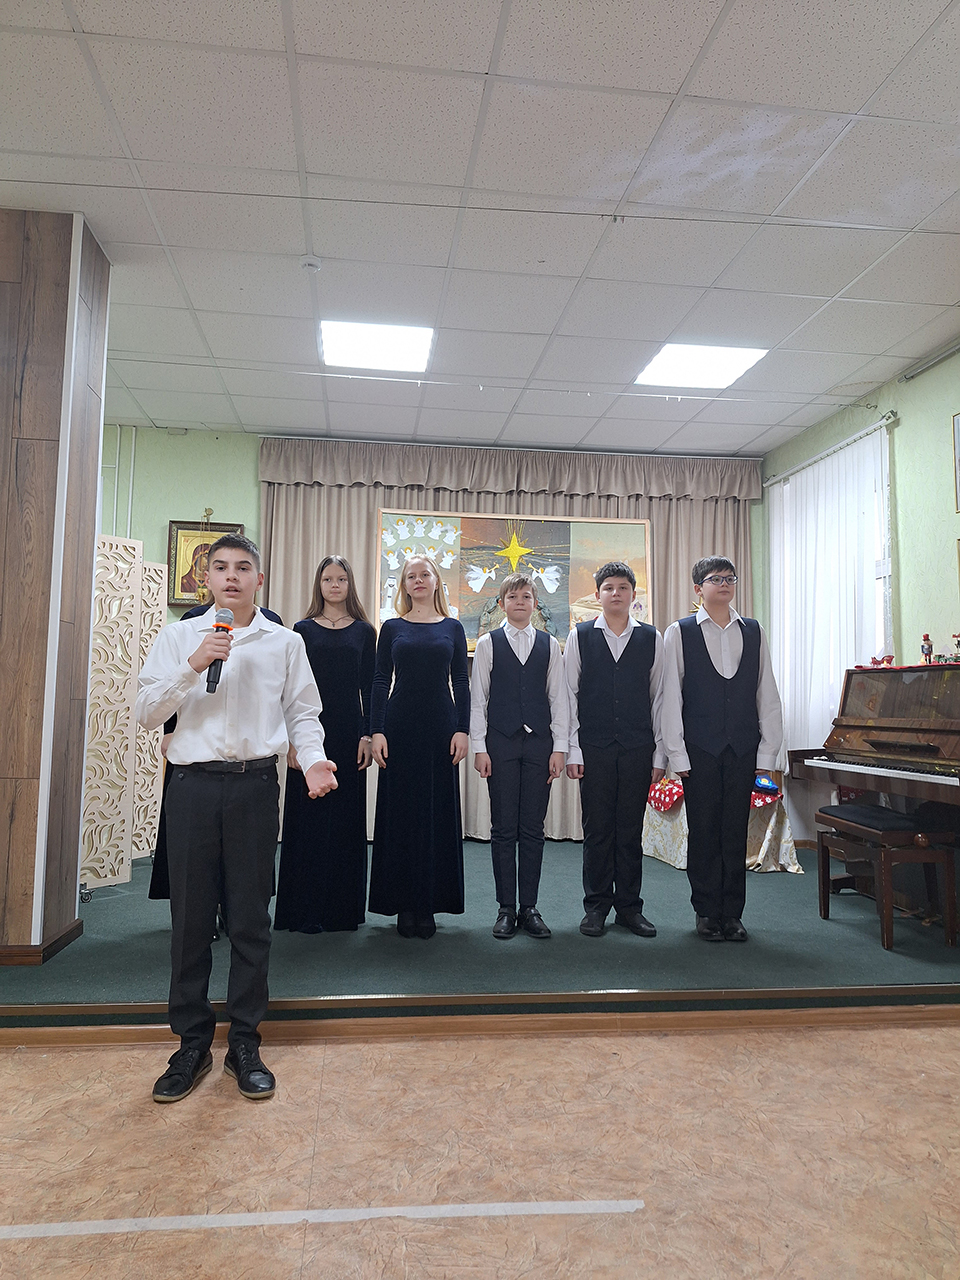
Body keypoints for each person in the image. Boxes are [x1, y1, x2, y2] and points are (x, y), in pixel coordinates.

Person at [136, 533, 337, 1104]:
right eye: (220, 567)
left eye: (242, 567)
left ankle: (245, 1042)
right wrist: (194, 665)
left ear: (259, 579)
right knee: (191, 921)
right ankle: (191, 1044)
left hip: (254, 786)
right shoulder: (179, 637)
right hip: (191, 787)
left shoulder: (285, 642)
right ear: (207, 578)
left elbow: (303, 712)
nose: (231, 576)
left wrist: (314, 760)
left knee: (250, 918)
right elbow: (147, 712)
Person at [661, 556, 783, 943]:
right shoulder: (679, 632)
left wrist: (767, 754)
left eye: (730, 578)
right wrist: (676, 753)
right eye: (716, 579)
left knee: (734, 832)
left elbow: (767, 694)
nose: (725, 584)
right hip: (699, 749)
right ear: (699, 589)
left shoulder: (753, 631)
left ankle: (732, 914)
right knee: (704, 831)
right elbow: (670, 697)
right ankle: (706, 912)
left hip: (743, 748)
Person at [368, 555, 469, 939]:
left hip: (441, 729)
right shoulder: (392, 627)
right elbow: (380, 679)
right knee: (401, 815)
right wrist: (377, 730)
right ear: (404, 586)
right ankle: (402, 904)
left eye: (424, 574)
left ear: (436, 580)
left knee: (434, 813)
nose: (418, 580)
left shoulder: (453, 627)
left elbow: (461, 681)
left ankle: (427, 903)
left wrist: (463, 729)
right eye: (411, 576)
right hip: (399, 728)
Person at [274, 556, 375, 933]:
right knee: (308, 821)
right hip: (307, 732)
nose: (334, 585)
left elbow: (370, 688)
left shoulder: (365, 631)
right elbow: (288, 690)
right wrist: (292, 741)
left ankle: (342, 912)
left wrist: (367, 734)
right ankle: (304, 911)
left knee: (346, 821)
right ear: (318, 584)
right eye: (328, 579)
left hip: (349, 734)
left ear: (350, 585)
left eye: (341, 579)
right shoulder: (301, 630)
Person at [564, 561, 665, 938]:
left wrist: (659, 755)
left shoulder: (652, 638)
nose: (616, 593)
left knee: (629, 830)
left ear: (633, 595)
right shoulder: (580, 636)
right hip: (594, 749)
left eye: (623, 587)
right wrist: (573, 750)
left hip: (638, 748)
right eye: (609, 588)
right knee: (597, 830)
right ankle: (596, 907)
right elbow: (568, 695)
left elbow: (660, 698)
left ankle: (629, 908)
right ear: (597, 595)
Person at [470, 572, 568, 939]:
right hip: (501, 744)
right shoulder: (488, 644)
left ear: (535, 604)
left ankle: (530, 907)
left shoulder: (549, 644)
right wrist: (479, 748)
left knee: (532, 828)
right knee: (502, 828)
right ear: (501, 604)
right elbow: (478, 700)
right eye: (513, 597)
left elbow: (558, 699)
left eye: (526, 596)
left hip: (540, 745)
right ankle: (506, 909)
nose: (520, 602)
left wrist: (560, 748)